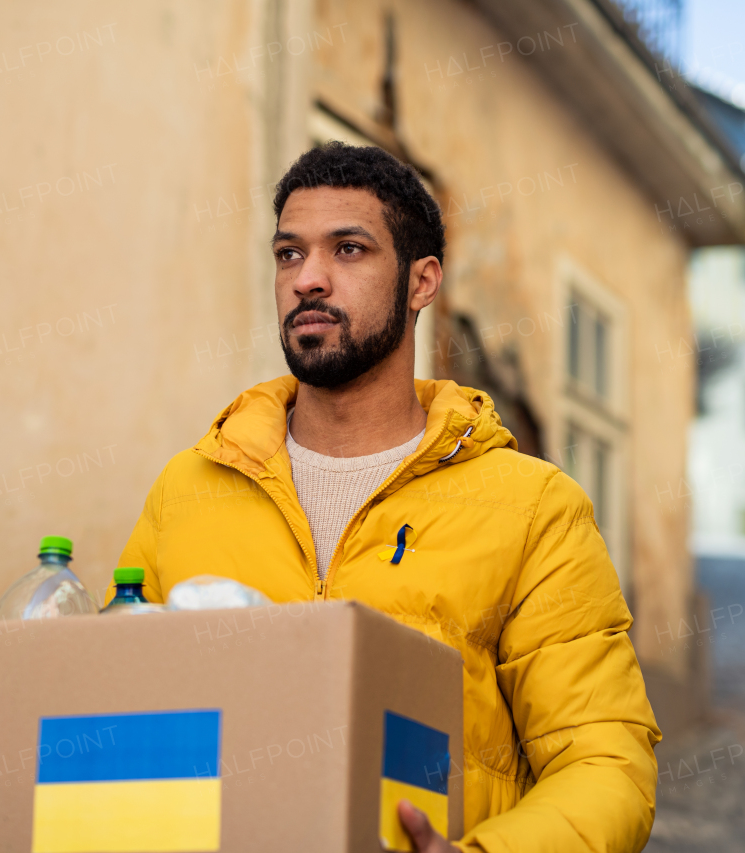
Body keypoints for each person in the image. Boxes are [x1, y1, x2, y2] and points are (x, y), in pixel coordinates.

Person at [114, 142, 661, 851]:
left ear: (421, 281)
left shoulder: (533, 509)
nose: (307, 279)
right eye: (288, 254)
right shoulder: (187, 488)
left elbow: (606, 763)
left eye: (348, 249)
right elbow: (117, 713)